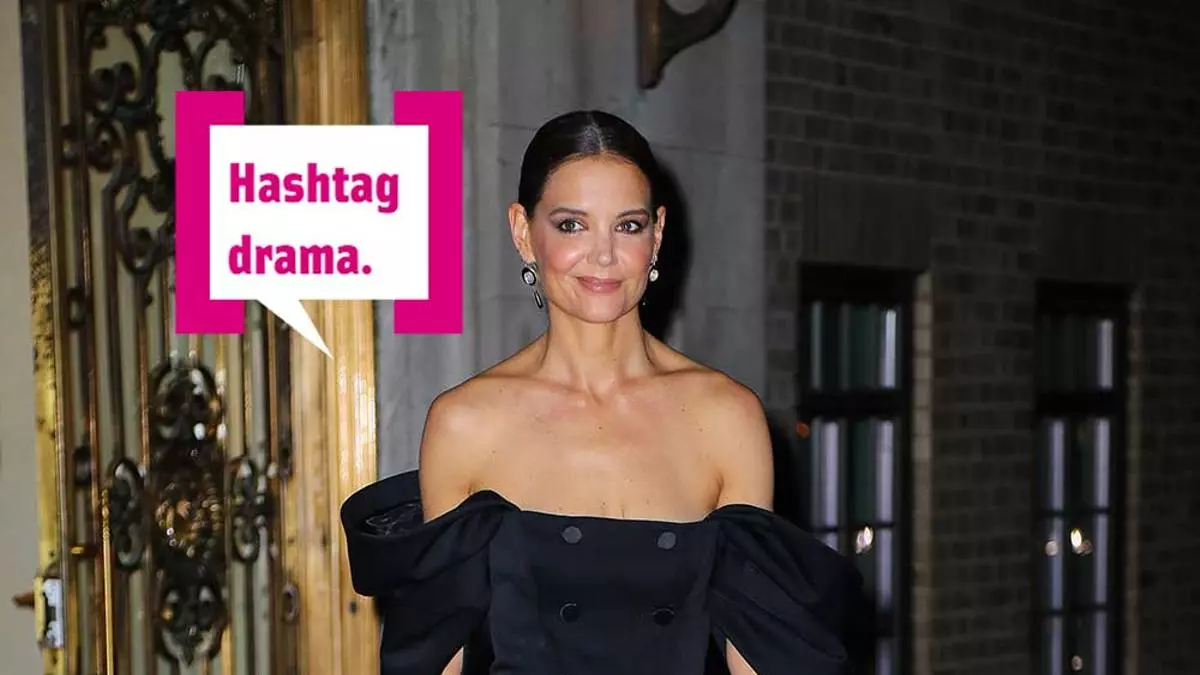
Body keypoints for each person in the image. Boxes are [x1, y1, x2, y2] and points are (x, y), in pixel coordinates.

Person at [341, 110, 864, 675]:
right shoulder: (465, 423)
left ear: (656, 234)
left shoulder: (726, 416)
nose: (604, 255)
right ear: (523, 232)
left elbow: (757, 656)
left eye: (628, 226)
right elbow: (437, 657)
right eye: (572, 225)